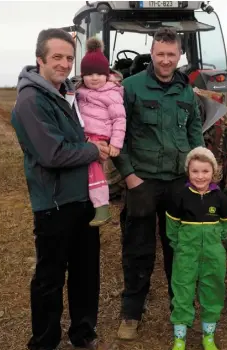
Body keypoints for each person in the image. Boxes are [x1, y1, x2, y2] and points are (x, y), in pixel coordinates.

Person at [11, 28, 119, 350]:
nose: (64, 63)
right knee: (50, 277)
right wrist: (93, 149)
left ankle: (83, 334)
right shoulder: (31, 101)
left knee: (86, 272)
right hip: (53, 203)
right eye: (56, 57)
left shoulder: (68, 94)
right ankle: (43, 348)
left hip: (82, 198)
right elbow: (52, 153)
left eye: (69, 58)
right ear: (40, 58)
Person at [112, 27, 205, 340]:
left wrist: (197, 168)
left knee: (179, 249)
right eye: (160, 54)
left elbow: (194, 130)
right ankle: (131, 313)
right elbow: (118, 136)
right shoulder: (131, 87)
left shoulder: (185, 91)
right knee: (138, 248)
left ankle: (180, 307)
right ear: (152, 54)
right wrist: (129, 176)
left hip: (179, 182)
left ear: (180, 56)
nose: (166, 60)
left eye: (171, 54)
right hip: (143, 182)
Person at [165, 146, 227, 350]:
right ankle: (179, 339)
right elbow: (172, 227)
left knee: (213, 291)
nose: (200, 176)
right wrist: (182, 246)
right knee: (182, 292)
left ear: (213, 172)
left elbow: (226, 224)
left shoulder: (220, 198)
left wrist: (214, 241)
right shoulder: (180, 196)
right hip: (186, 254)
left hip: (213, 255)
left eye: (205, 171)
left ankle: (208, 336)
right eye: (195, 171)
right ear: (188, 172)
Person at [76, 37, 126, 226]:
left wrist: (115, 144)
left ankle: (102, 207)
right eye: (89, 74)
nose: (94, 77)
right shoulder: (79, 92)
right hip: (83, 136)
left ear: (107, 74)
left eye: (99, 73)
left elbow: (119, 119)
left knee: (92, 167)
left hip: (99, 137)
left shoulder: (111, 93)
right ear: (82, 76)